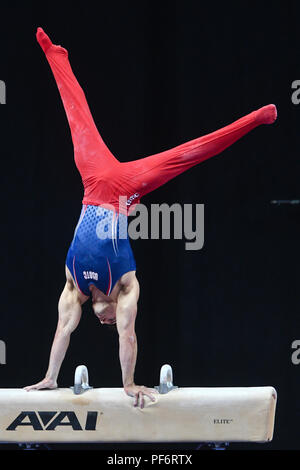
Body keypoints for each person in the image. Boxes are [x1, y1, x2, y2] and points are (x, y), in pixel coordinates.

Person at [24, 28, 277, 408]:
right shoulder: (126, 287)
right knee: (188, 155)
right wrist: (128, 384)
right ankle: (256, 119)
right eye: (109, 320)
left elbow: (64, 330)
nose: (107, 323)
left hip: (93, 182)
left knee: (77, 118)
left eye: (102, 321)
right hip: (124, 191)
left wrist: (50, 377)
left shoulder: (72, 285)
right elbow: (127, 333)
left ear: (94, 309)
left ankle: (53, 55)